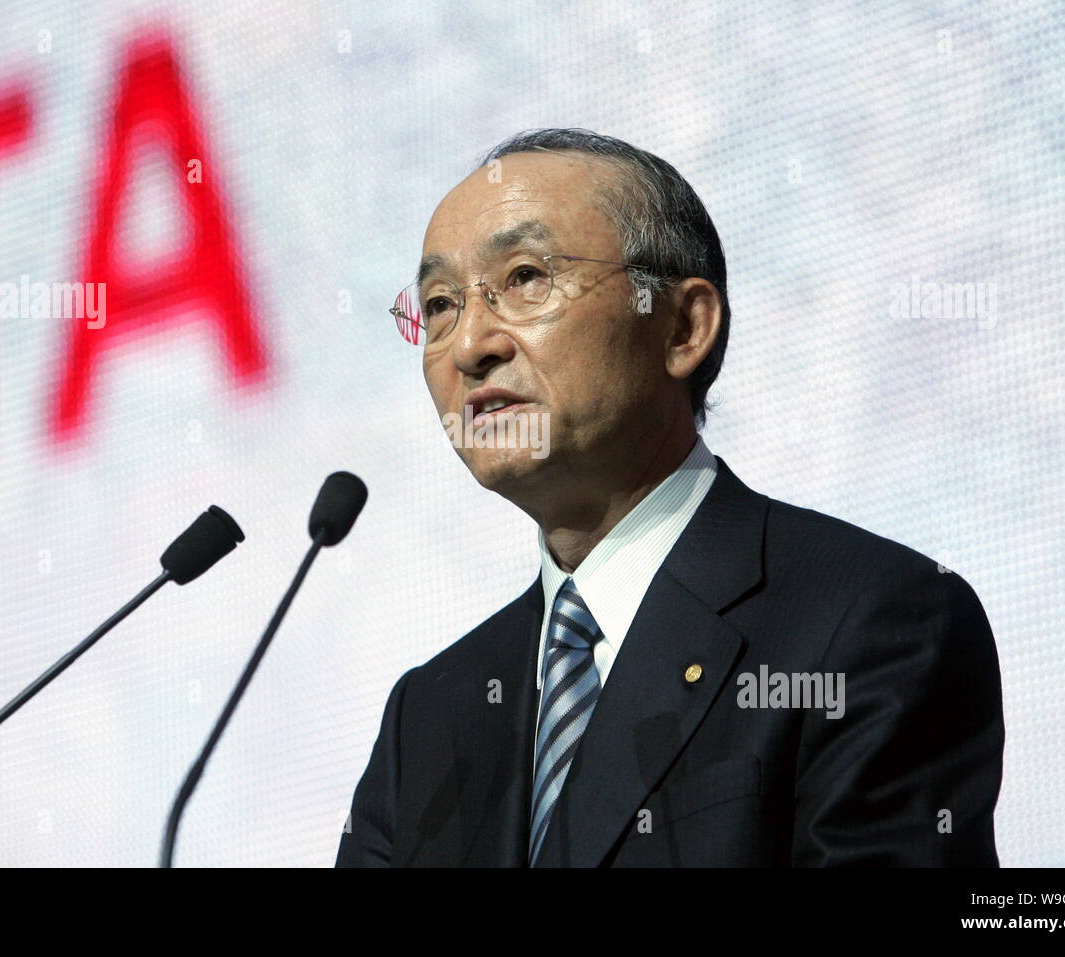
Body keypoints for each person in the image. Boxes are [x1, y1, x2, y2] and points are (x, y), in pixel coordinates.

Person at [336, 128, 1004, 867]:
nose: (469, 345)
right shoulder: (429, 714)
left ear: (684, 326)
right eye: (438, 305)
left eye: (525, 277)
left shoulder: (868, 624)